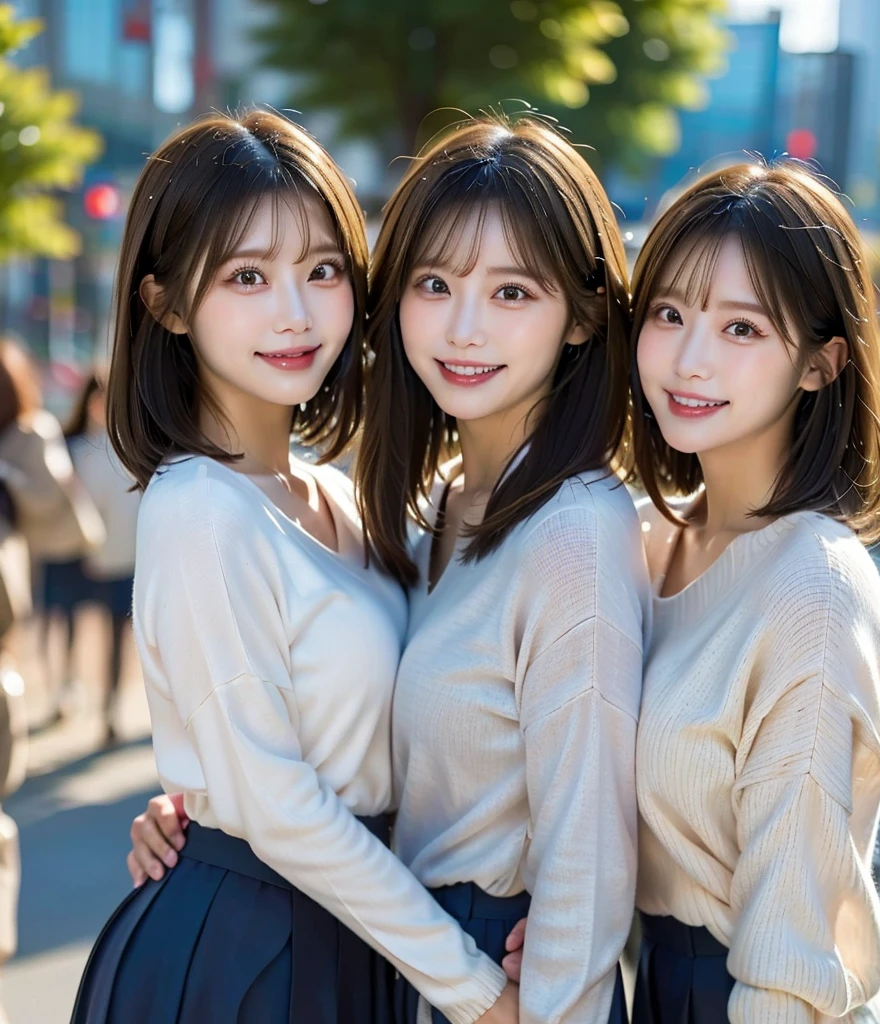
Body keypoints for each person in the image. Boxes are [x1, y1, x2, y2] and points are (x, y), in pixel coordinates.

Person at [71, 109, 516, 1024]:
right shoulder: (198, 505)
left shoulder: (342, 497)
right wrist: (478, 993)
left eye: (322, 270)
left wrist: (201, 789)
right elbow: (277, 807)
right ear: (165, 302)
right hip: (249, 954)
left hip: (356, 934)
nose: (295, 311)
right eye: (247, 276)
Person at [356, 116, 648, 1024]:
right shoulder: (440, 503)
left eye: (513, 292)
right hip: (414, 955)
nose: (464, 326)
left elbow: (588, 855)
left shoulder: (575, 533)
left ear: (585, 315)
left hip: (499, 979)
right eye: (433, 283)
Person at [628, 160, 880, 1023]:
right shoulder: (643, 540)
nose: (690, 357)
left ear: (822, 365)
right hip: (659, 984)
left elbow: (790, 961)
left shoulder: (811, 590)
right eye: (670, 313)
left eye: (741, 329)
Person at [0, 341, 104, 723]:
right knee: (43, 626)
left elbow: (47, 494)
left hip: (61, 544)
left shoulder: (34, 432)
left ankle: (68, 689)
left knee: (68, 622)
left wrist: (8, 476)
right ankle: (56, 690)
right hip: (31, 552)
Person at [63, 374, 142, 744]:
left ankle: (108, 708)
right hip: (86, 554)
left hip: (124, 558)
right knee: (68, 624)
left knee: (116, 636)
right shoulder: (77, 449)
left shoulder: (132, 448)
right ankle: (68, 691)